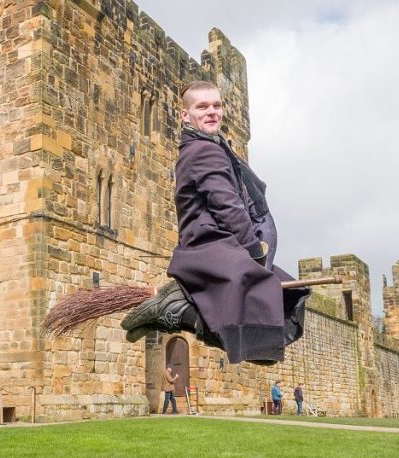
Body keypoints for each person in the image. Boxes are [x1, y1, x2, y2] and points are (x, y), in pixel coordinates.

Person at [122, 80, 309, 365]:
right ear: (185, 115)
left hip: (215, 247)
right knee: (265, 325)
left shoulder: (205, 148)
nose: (212, 112)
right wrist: (254, 250)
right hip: (213, 247)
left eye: (216, 105)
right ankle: (176, 311)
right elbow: (228, 206)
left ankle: (180, 309)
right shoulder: (205, 151)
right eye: (202, 107)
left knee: (272, 322)